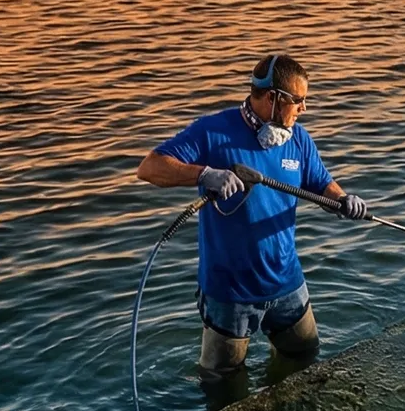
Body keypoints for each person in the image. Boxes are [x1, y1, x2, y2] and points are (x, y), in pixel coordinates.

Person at [135, 54, 369, 386]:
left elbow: (320, 184)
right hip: (230, 292)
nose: (304, 110)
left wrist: (344, 200)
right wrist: (205, 173)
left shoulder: (297, 139)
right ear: (273, 98)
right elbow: (150, 167)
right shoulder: (214, 132)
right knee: (222, 382)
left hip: (287, 284)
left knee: (304, 358)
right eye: (298, 102)